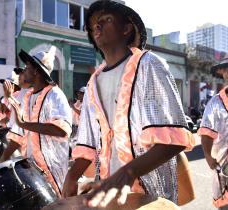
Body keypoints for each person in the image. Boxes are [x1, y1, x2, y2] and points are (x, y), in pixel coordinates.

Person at [62, 0, 194, 208]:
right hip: (108, 196)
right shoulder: (92, 83)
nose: (97, 26)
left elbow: (174, 140)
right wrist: (72, 175)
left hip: (150, 196)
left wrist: (128, 172)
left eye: (106, 20)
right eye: (93, 24)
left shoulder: (150, 65)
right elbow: (87, 145)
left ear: (126, 28)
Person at [8, 47, 72, 196]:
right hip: (32, 168)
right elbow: (20, 133)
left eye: (27, 67)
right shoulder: (28, 97)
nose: (24, 70)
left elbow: (61, 130)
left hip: (52, 170)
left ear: (36, 71)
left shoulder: (55, 95)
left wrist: (23, 123)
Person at [198, 50, 228, 210]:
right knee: (227, 206)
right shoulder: (215, 102)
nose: (227, 71)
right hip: (224, 168)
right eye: (224, 68)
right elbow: (207, 132)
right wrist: (208, 155)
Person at [0, 68, 31, 161]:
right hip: (16, 133)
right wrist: (7, 96)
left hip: (23, 134)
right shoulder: (19, 93)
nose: (19, 76)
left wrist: (9, 96)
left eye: (22, 73)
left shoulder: (31, 93)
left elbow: (20, 111)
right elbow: (7, 111)